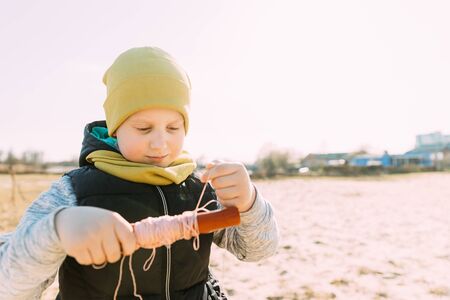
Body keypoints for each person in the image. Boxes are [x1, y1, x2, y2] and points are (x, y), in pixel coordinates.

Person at [0, 47, 278, 300]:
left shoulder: (199, 188)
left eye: (173, 128)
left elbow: (255, 250)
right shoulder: (73, 192)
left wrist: (249, 202)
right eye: (143, 128)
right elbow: (10, 286)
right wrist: (56, 230)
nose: (160, 143)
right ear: (115, 127)